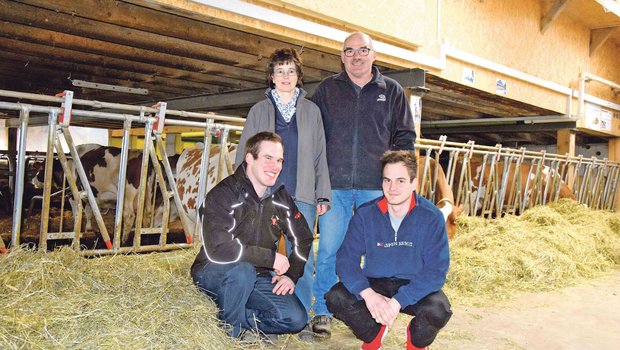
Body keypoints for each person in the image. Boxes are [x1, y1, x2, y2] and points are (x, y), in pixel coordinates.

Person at [310, 31, 416, 337]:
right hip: (335, 186)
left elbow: (405, 136)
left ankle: (370, 309)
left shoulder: (392, 91)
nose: (356, 56)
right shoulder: (328, 90)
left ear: (373, 55)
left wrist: (397, 178)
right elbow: (314, 133)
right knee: (331, 247)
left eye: (363, 50)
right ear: (342, 57)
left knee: (376, 251)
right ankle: (323, 310)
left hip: (376, 187)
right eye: (350, 51)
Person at [234, 48, 331, 339]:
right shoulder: (258, 111)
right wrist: (242, 190)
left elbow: (320, 156)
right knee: (261, 254)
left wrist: (322, 194)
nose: (285, 76)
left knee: (302, 255)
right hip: (264, 196)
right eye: (280, 71)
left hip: (301, 194)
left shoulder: (312, 111)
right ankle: (269, 315)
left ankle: (298, 317)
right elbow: (244, 153)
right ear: (271, 76)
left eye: (291, 71)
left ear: (299, 76)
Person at [191, 131, 313, 341]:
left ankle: (242, 316)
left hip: (258, 276)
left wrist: (292, 275)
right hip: (214, 271)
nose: (275, 166)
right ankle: (233, 332)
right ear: (249, 158)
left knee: (295, 319)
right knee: (242, 272)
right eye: (268, 158)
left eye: (279, 160)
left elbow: (304, 238)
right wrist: (271, 258)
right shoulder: (223, 194)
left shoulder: (280, 199)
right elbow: (219, 249)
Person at [325, 150, 452, 350]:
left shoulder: (431, 217)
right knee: (336, 297)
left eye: (400, 181)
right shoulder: (366, 214)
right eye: (387, 181)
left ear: (413, 183)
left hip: (413, 284)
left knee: (438, 309)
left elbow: (436, 271)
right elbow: (346, 260)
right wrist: (368, 294)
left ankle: (416, 341)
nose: (392, 188)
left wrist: (397, 302)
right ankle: (374, 334)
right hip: (376, 282)